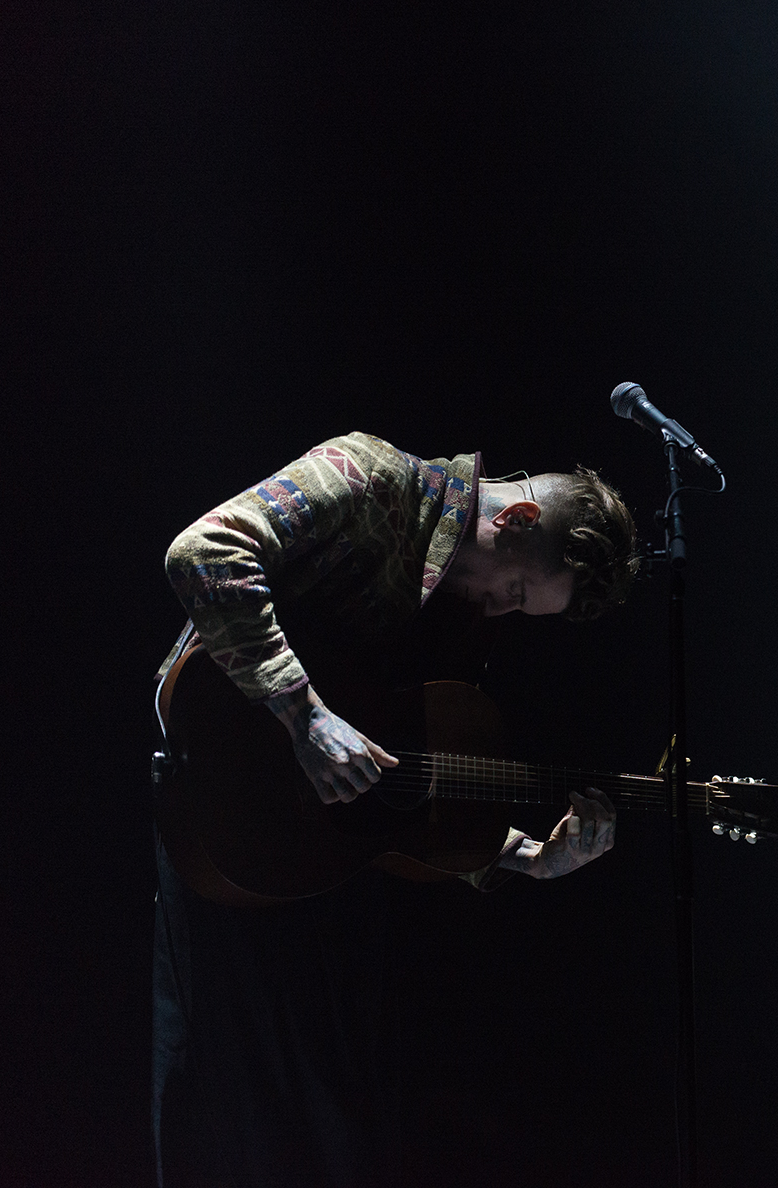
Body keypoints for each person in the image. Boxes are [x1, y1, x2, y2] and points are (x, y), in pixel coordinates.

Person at [151, 431, 640, 1186]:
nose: (500, 609)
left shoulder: (456, 611)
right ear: (513, 522)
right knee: (222, 1132)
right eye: (513, 591)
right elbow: (204, 552)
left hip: (322, 897)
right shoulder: (371, 477)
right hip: (232, 833)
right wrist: (304, 714)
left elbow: (395, 799)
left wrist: (533, 859)